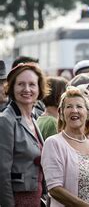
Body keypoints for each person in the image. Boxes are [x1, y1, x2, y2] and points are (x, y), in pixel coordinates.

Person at [41, 87, 89, 206]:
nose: (74, 110)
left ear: (88, 113)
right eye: (69, 107)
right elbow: (55, 189)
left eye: (79, 106)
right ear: (61, 113)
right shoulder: (53, 143)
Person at [0, 63, 48, 206]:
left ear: (39, 89)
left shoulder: (32, 118)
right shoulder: (5, 121)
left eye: (32, 84)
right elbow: (2, 173)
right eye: (21, 84)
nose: (27, 89)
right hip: (17, 200)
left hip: (36, 197)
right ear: (12, 88)